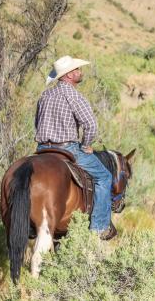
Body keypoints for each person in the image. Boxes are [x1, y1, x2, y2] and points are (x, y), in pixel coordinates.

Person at [35, 55, 116, 240]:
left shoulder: (45, 95)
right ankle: (99, 227)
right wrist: (86, 145)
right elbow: (91, 125)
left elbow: (37, 123)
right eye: (77, 69)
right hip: (67, 149)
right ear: (69, 75)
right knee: (104, 177)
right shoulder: (74, 95)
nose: (80, 72)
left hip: (41, 149)